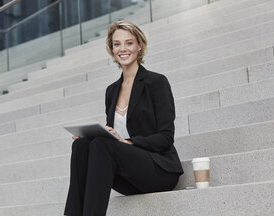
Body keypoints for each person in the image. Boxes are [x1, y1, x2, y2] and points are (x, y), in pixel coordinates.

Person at [64, 20, 184, 216]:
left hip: (159, 170)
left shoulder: (156, 82)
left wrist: (127, 142)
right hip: (129, 177)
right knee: (82, 145)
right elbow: (111, 138)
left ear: (139, 46)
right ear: (111, 49)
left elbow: (165, 137)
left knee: (102, 145)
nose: (123, 49)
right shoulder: (111, 91)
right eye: (117, 44)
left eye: (129, 43)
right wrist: (92, 136)